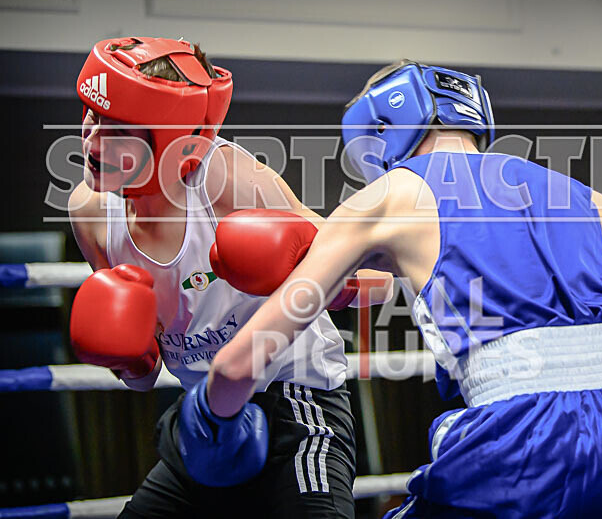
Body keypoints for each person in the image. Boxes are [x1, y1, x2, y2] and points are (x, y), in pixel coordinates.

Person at [195, 60, 602, 518]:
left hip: (523, 441)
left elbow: (239, 365)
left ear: (379, 133)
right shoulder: (565, 189)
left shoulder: (387, 198)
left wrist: (213, 424)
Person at [68, 36, 392, 518]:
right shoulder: (90, 213)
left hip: (296, 401)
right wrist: (129, 360)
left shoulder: (225, 179)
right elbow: (145, 372)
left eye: (116, 130)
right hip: (204, 417)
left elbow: (380, 275)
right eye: (92, 115)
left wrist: (324, 281)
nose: (92, 141)